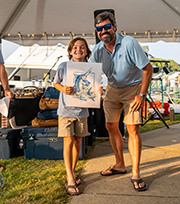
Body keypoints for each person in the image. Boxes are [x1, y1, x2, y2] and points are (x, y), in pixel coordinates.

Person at [89, 11, 153, 191]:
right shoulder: (98, 49)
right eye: (99, 29)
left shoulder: (129, 43)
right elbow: (92, 72)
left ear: (114, 27)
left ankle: (136, 173)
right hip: (112, 88)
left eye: (107, 27)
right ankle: (119, 164)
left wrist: (142, 94)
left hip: (133, 89)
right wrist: (97, 85)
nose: (103, 31)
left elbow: (148, 69)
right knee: (110, 126)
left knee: (132, 128)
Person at [53, 37, 92, 196]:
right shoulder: (64, 66)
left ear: (86, 51)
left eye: (82, 47)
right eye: (75, 47)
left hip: (82, 112)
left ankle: (73, 171)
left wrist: (99, 90)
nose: (78, 50)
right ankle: (69, 177)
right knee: (68, 141)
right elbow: (56, 83)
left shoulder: (91, 68)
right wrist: (63, 89)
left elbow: (93, 88)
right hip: (66, 112)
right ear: (70, 51)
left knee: (78, 142)